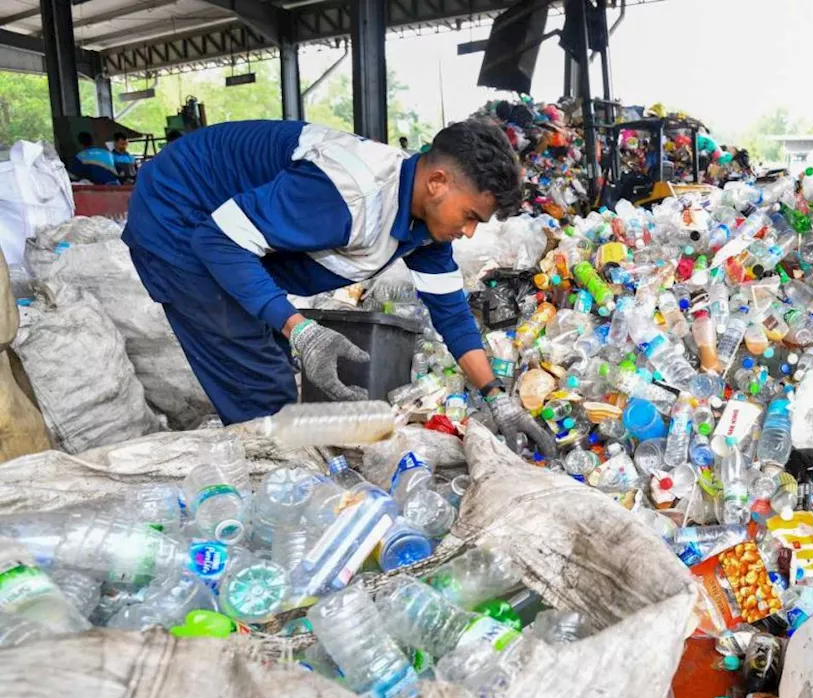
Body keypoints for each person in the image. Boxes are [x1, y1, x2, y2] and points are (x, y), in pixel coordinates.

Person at [121, 118, 553, 455]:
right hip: (180, 216)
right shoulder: (348, 196)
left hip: (228, 228)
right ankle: (268, 491)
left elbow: (452, 314)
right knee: (259, 383)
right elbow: (216, 240)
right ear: (437, 182)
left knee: (267, 357)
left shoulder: (424, 223)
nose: (471, 232)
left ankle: (281, 456)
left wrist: (498, 398)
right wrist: (302, 330)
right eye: (472, 216)